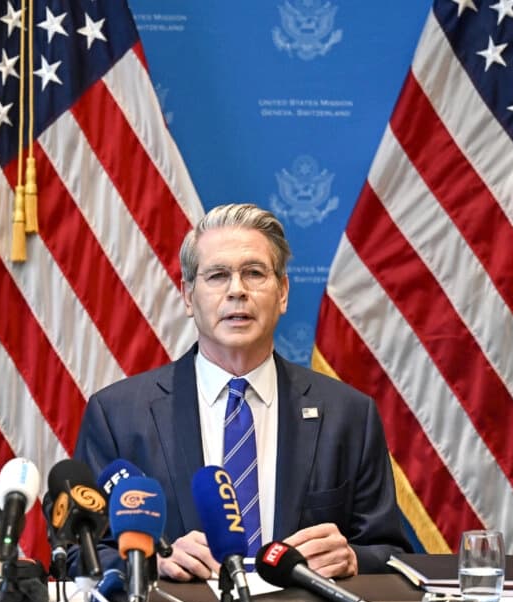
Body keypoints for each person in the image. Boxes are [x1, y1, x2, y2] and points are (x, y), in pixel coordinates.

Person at [74, 203, 410, 580]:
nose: (237, 291)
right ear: (188, 296)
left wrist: (352, 559)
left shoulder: (348, 414)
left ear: (282, 293)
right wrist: (150, 561)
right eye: (217, 276)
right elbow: (80, 555)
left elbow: (390, 552)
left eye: (254, 273)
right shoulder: (119, 415)